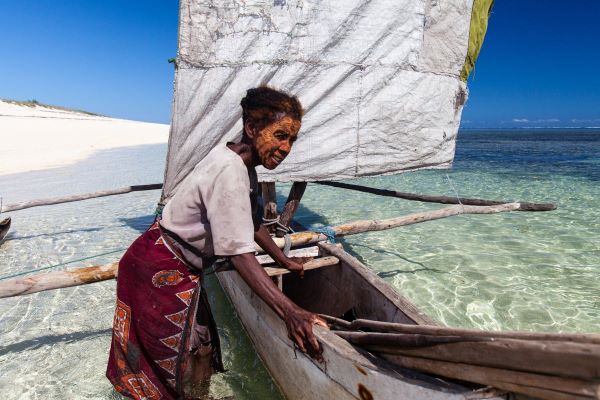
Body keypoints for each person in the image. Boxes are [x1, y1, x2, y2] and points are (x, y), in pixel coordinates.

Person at [107, 87, 327, 399]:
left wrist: (283, 260)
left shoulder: (241, 162)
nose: (285, 147)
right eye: (279, 135)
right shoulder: (231, 171)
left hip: (170, 262)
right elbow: (238, 254)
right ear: (252, 129)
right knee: (177, 356)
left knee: (200, 346)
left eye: (291, 139)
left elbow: (251, 223)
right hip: (158, 268)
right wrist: (290, 312)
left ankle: (200, 396)